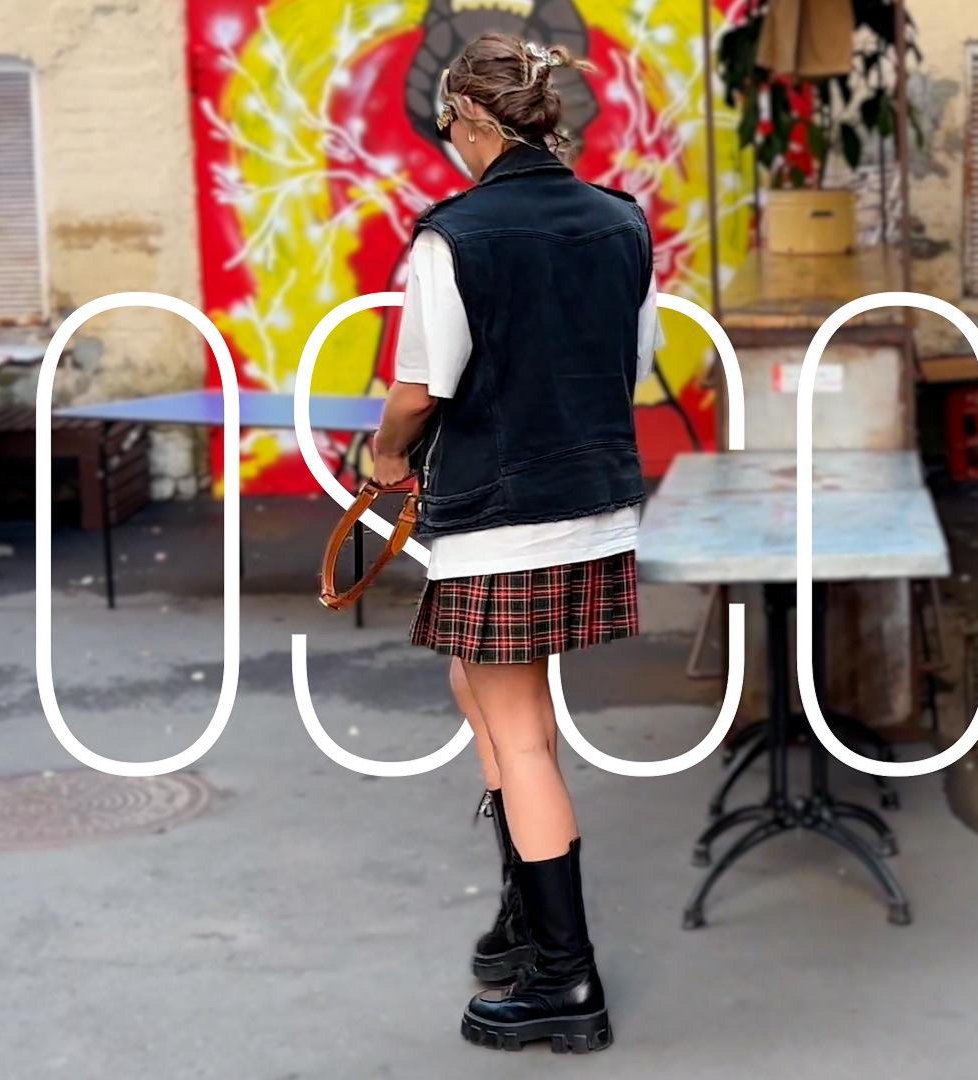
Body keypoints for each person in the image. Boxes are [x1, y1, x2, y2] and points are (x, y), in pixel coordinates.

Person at [368, 31, 661, 1055]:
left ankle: (564, 979)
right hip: (594, 502)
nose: (445, 139)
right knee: (482, 689)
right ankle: (525, 917)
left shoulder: (454, 236)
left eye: (445, 123)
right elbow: (633, 363)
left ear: (469, 120)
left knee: (521, 729)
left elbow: (420, 389)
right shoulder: (623, 222)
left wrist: (385, 456)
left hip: (500, 514)